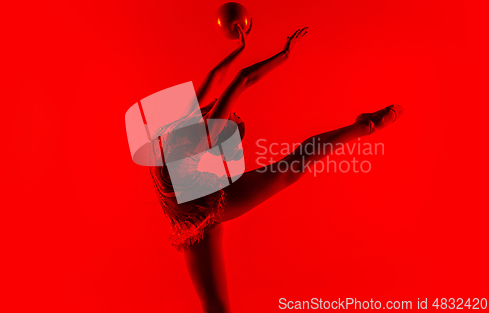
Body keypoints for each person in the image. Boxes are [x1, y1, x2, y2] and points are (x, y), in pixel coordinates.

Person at [149, 21, 404, 313]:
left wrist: (256, 52)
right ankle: (365, 127)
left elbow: (228, 79)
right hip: (195, 210)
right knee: (293, 166)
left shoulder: (186, 122)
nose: (226, 108)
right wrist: (268, 53)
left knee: (215, 305)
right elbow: (232, 79)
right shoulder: (201, 128)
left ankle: (366, 126)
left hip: (187, 217)